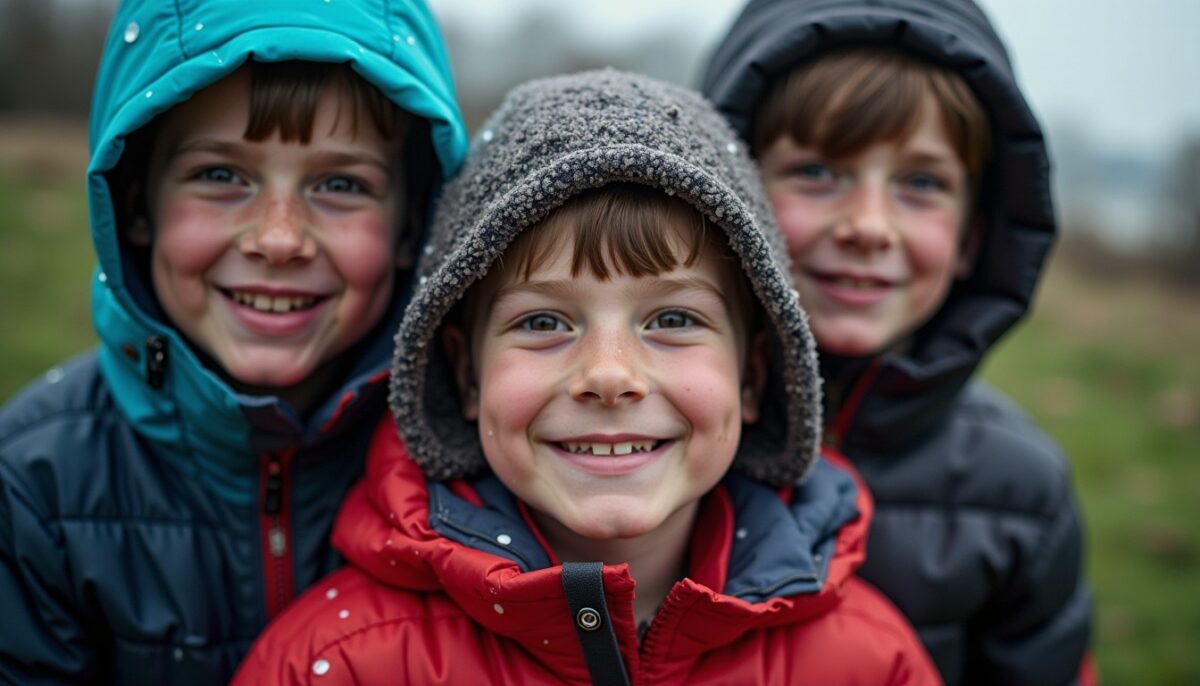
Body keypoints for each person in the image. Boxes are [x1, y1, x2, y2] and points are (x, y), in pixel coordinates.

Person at [231, 69, 941, 685]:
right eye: (543, 323)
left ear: (755, 376)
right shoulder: (338, 662)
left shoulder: (870, 662)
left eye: (671, 320)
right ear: (464, 373)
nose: (608, 375)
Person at [0, 1, 466, 682]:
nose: (278, 239)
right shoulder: (32, 489)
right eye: (221, 176)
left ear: (409, 228)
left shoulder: (469, 468)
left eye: (341, 185)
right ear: (136, 207)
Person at [700, 1, 1095, 684]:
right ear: (728, 192)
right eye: (818, 172)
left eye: (921, 184)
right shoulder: (652, 434)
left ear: (973, 237)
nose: (869, 226)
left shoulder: (1023, 493)